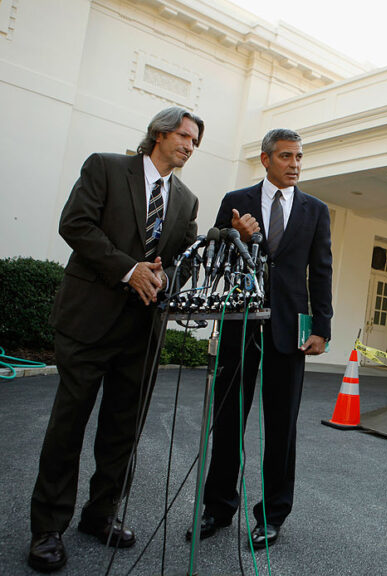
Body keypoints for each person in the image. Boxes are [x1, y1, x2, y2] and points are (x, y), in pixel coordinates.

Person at [28, 107, 203, 572]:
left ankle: (100, 514)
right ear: (160, 134)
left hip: (142, 331)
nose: (190, 145)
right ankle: (47, 528)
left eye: (195, 141)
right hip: (88, 322)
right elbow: (76, 225)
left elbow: (184, 262)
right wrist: (130, 269)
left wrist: (170, 277)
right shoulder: (105, 167)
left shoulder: (186, 200)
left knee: (122, 432)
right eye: (184, 136)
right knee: (68, 427)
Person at [188, 129, 333, 549]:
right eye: (286, 156)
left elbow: (320, 269)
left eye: (299, 157)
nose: (295, 164)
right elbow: (213, 259)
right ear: (266, 159)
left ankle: (272, 515)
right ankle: (217, 507)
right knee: (228, 418)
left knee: (281, 426)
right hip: (240, 323)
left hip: (290, 332)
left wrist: (321, 326)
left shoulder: (315, 210)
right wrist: (237, 234)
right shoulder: (237, 200)